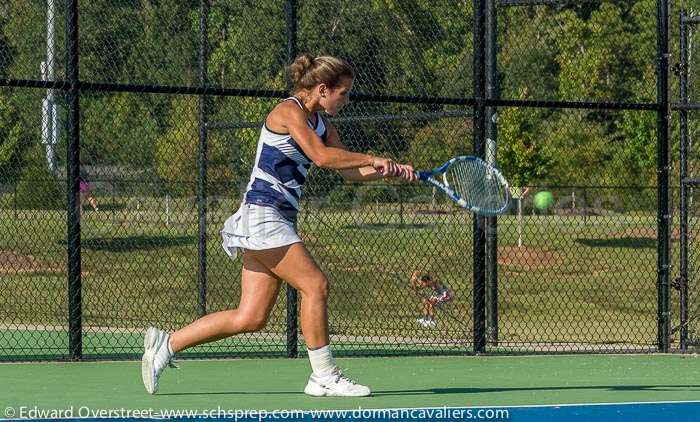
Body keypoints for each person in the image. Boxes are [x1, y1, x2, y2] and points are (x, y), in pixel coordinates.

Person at [141, 54, 416, 397]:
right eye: (343, 93)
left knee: (250, 317)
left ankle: (166, 346)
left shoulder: (322, 123)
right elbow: (321, 157)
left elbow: (346, 169)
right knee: (315, 286)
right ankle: (323, 376)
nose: (347, 100)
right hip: (263, 214)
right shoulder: (288, 113)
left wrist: (390, 172)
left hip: (275, 218)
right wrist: (372, 157)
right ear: (322, 89)